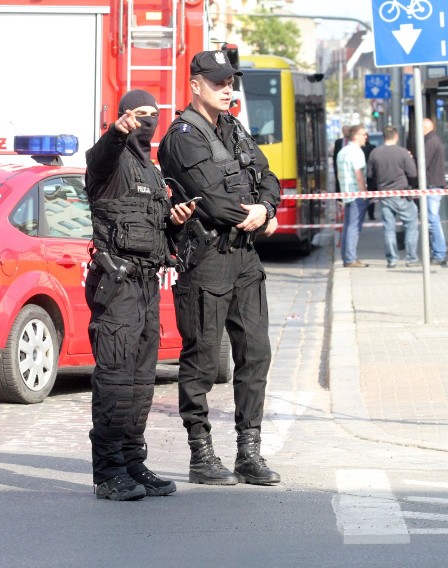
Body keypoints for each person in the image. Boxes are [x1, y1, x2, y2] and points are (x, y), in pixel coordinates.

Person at [158, 50, 281, 487]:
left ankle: (249, 452)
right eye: (217, 82)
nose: (227, 88)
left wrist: (265, 208)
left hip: (244, 257)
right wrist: (253, 215)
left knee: (256, 354)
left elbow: (269, 176)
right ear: (195, 85)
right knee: (203, 359)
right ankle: (201, 453)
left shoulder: (230, 125)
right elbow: (208, 198)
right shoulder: (183, 136)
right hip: (207, 259)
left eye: (231, 81)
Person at [84, 89, 195, 501]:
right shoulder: (112, 162)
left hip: (147, 284)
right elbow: (98, 160)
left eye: (154, 113)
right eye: (139, 113)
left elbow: (156, 229)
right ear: (124, 116)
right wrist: (115, 133)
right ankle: (109, 472)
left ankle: (133, 462)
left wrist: (175, 219)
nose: (148, 120)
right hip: (118, 287)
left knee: (142, 380)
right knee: (114, 378)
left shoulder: (149, 168)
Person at [367, 126, 419, 268]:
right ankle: (411, 258)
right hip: (402, 194)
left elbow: (370, 175)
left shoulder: (375, 153)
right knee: (411, 225)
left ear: (384, 137)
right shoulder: (403, 153)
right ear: (396, 136)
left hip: (384, 195)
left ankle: (392, 259)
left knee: (389, 228)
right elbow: (413, 173)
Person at [336, 125, 370, 268]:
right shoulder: (357, 152)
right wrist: (363, 194)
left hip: (346, 194)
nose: (366, 137)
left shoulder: (342, 152)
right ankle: (350, 259)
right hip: (356, 194)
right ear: (355, 136)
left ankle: (347, 257)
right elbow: (359, 175)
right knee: (354, 227)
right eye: (363, 134)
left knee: (348, 227)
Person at [423, 118, 447, 266]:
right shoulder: (434, 140)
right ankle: (438, 252)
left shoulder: (430, 142)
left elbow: (423, 163)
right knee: (432, 220)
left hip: (432, 185)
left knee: (433, 221)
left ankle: (439, 253)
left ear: (425, 128)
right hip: (434, 185)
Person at [332, 125, 350, 193]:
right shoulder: (338, 142)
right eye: (344, 130)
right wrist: (336, 169)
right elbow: (335, 156)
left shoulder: (352, 142)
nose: (346, 132)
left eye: (347, 130)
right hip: (340, 168)